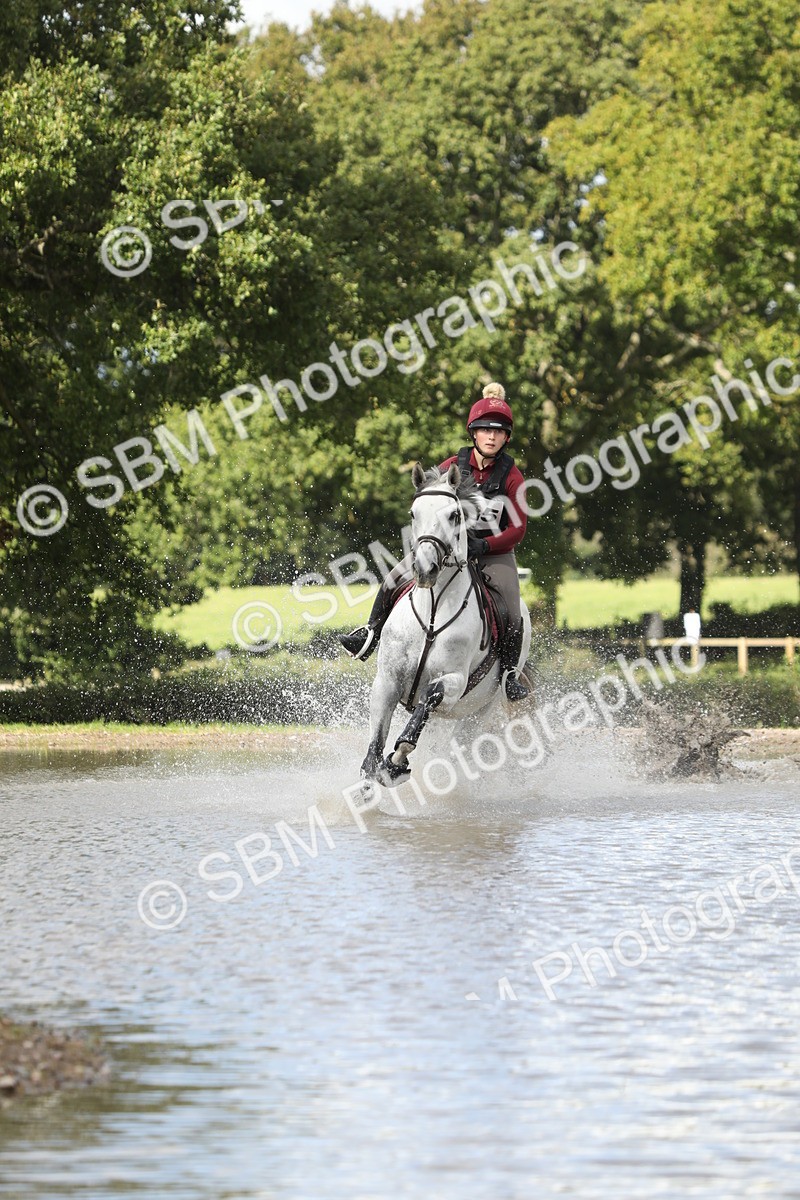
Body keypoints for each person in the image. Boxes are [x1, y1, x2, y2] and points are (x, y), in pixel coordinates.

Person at [338, 381, 530, 702]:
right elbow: (428, 499)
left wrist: (485, 546)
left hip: (492, 554)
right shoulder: (452, 466)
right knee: (394, 577)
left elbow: (518, 529)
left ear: (506, 437)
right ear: (474, 433)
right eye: (485, 430)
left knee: (511, 605)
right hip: (447, 549)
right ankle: (370, 633)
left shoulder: (513, 477)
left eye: (498, 432)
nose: (492, 436)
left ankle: (509, 671)